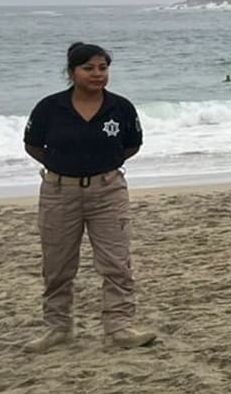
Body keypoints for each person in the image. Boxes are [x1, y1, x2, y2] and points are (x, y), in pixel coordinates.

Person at [20, 43, 155, 353]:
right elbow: (33, 145)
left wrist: (100, 166)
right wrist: (64, 167)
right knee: (57, 266)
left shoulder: (120, 107)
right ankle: (58, 329)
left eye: (103, 68)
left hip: (108, 191)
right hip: (58, 193)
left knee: (116, 263)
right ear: (72, 72)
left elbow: (132, 145)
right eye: (89, 68)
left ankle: (119, 328)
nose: (97, 74)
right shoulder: (49, 107)